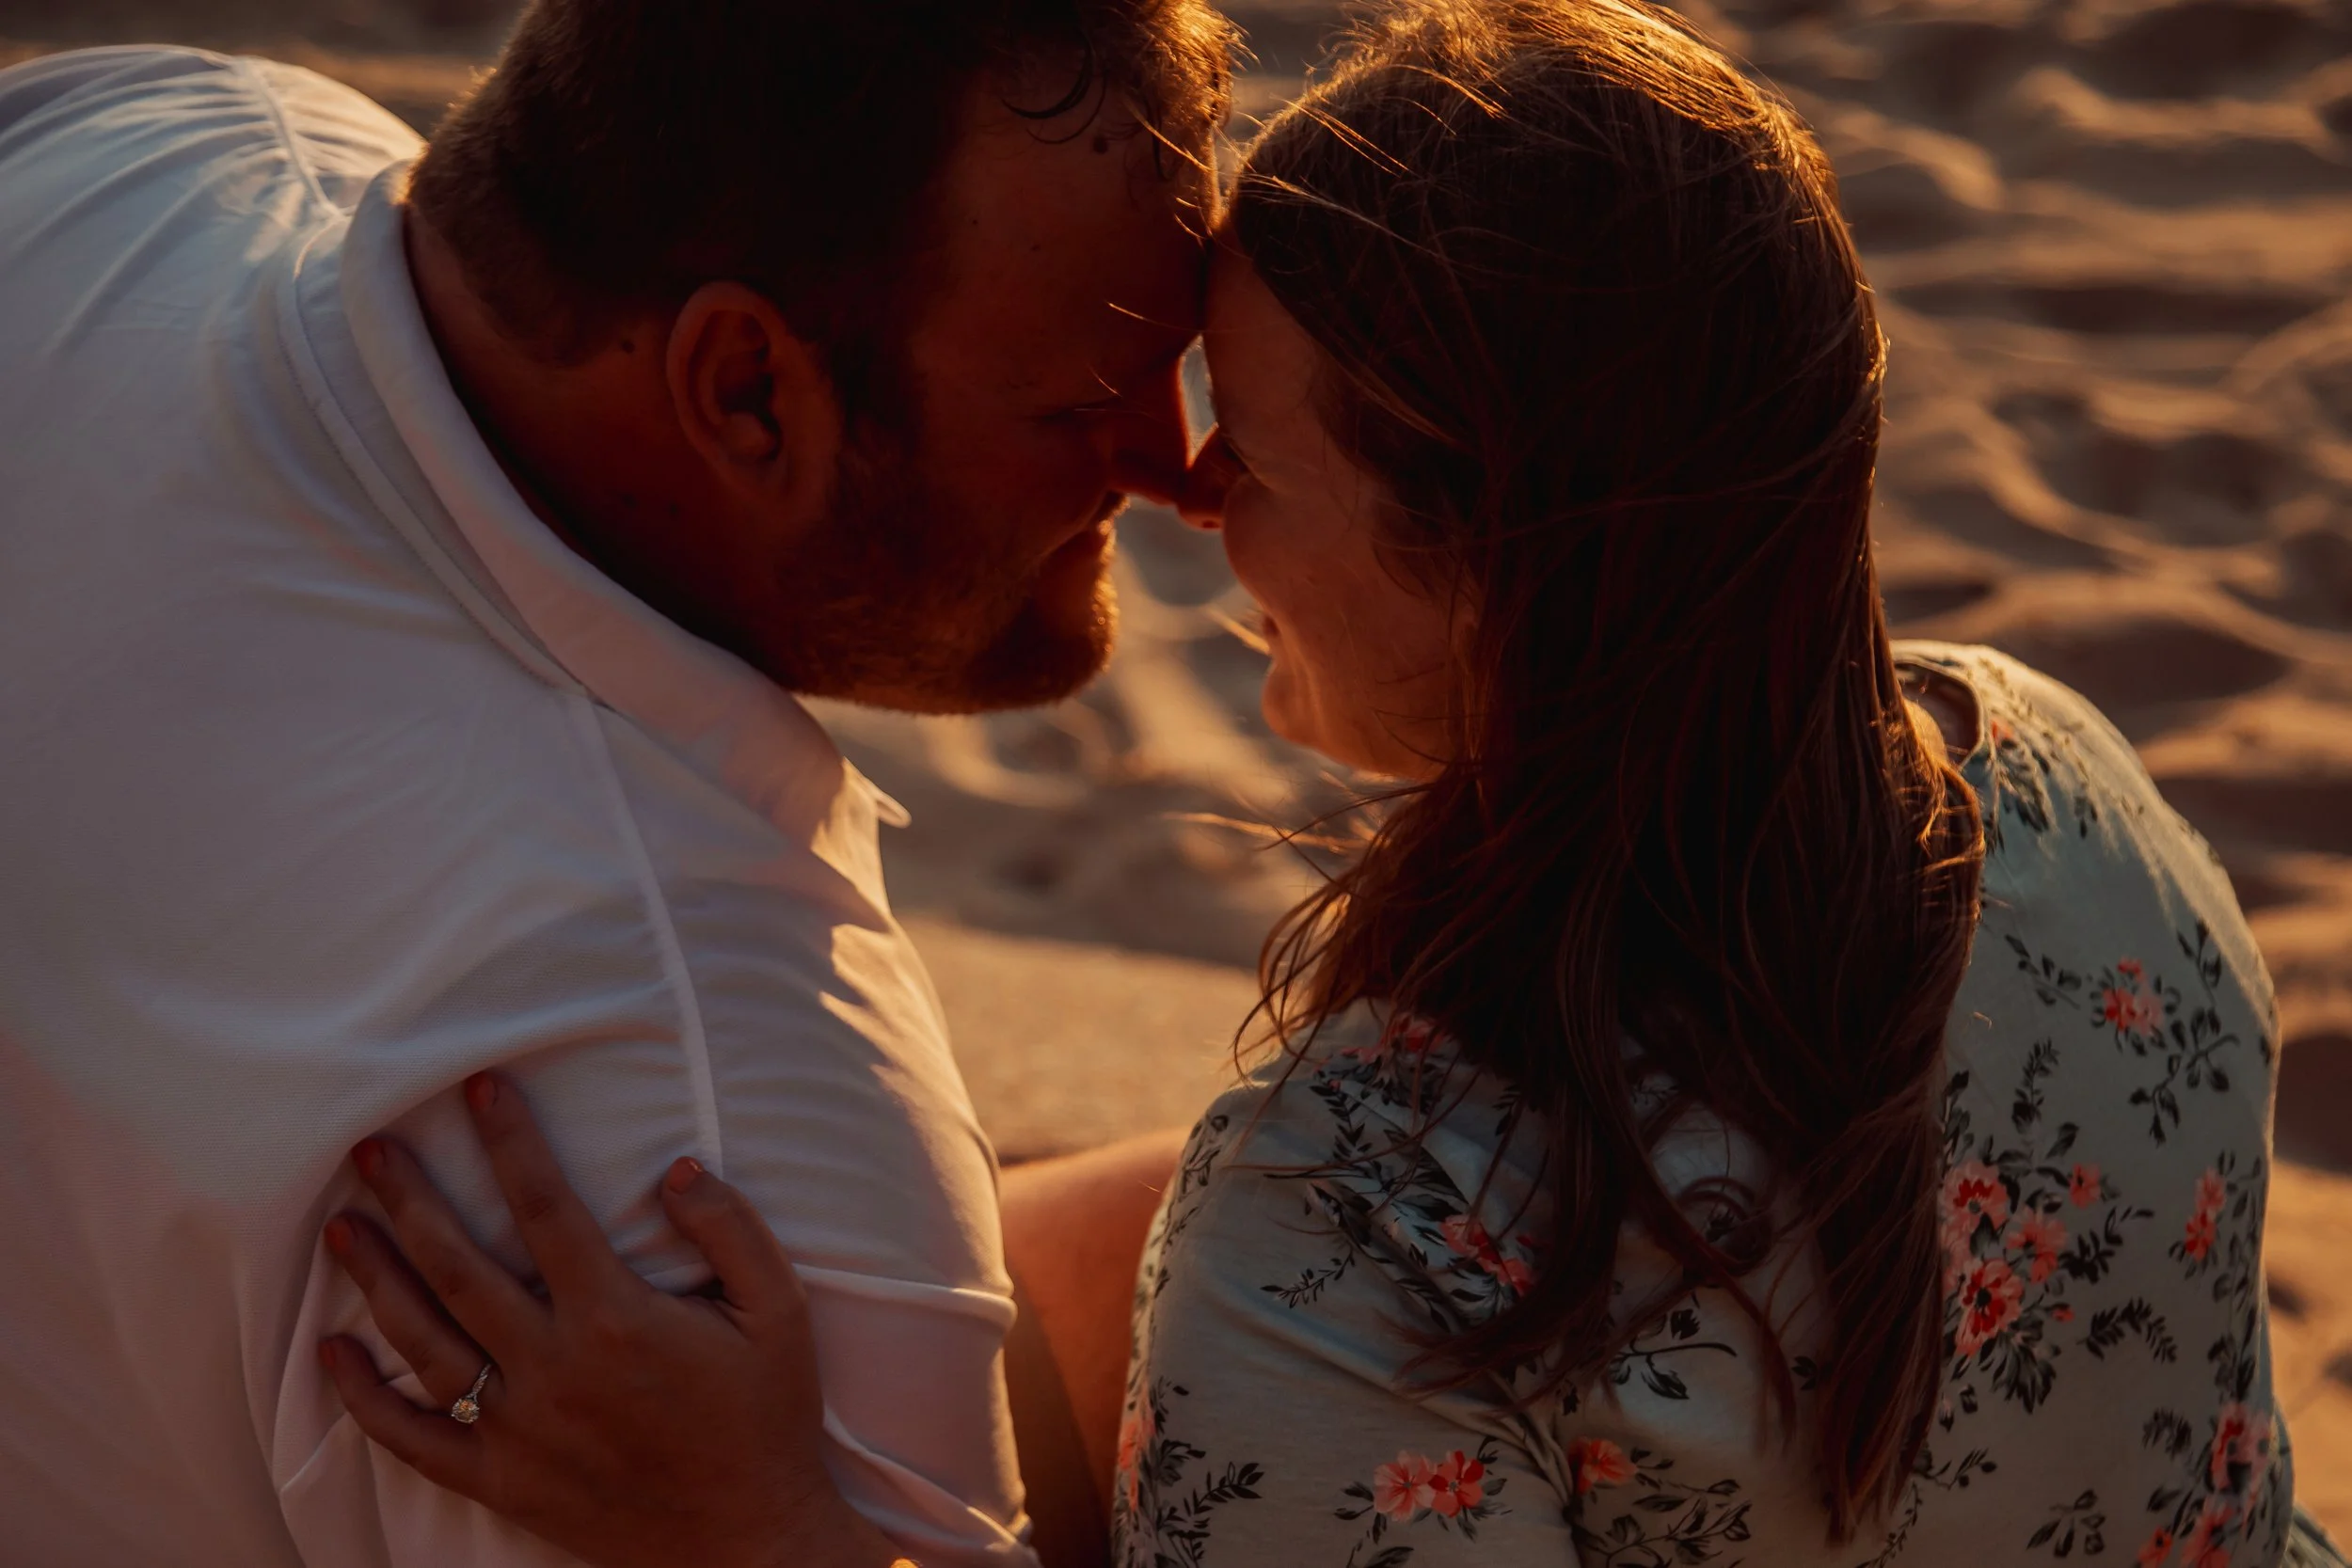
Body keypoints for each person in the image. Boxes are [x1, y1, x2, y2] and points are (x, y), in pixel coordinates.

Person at [313, 1, 2352, 1566]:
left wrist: (760, 1530)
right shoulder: (2061, 784)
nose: (1184, 498)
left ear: (1491, 560)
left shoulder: (1345, 1229)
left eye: (1252, 455)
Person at [0, 4, 1232, 1564]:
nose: (1176, 466)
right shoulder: (698, 1125)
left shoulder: (146, 145)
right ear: (742, 392)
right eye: (1081, 402)